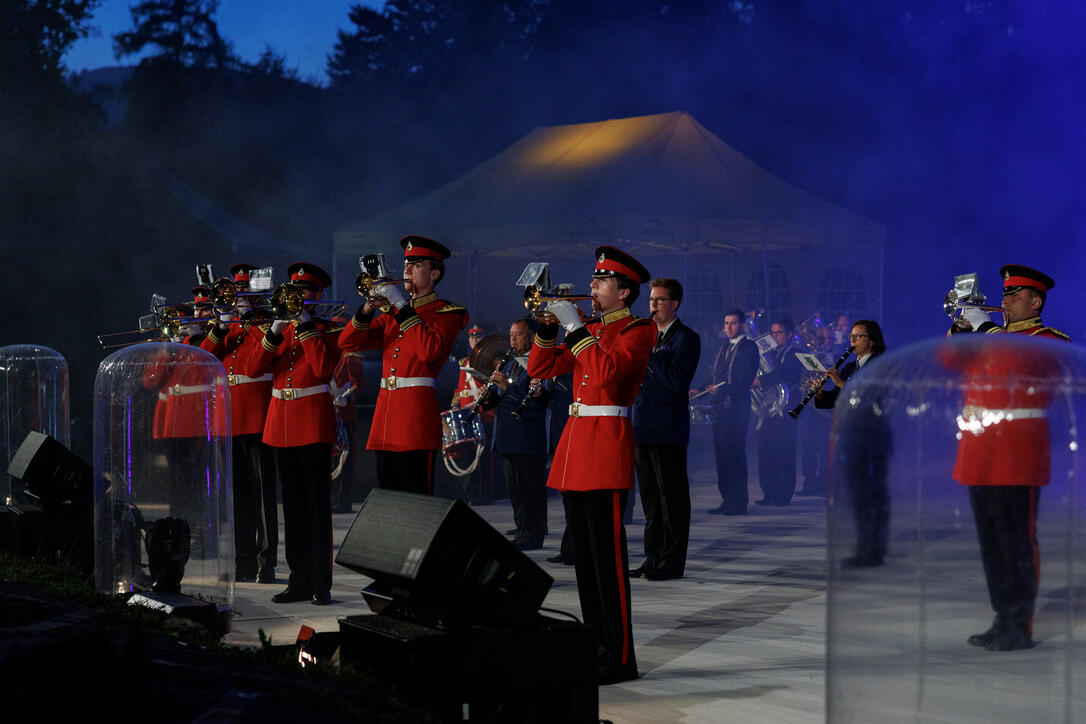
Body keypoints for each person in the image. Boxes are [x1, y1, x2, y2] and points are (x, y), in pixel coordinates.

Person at [527, 245, 655, 685]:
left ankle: (620, 657)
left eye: (600, 282)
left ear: (623, 291)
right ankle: (594, 645)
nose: (592, 287)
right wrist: (547, 329)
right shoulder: (593, 328)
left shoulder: (639, 330)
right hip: (578, 444)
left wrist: (576, 327)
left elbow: (605, 375)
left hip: (606, 443)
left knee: (608, 561)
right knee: (584, 558)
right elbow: (540, 369)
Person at [950, 264, 1068, 651]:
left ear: (1035, 302)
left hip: (1017, 454)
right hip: (979, 450)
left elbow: (1019, 363)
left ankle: (1020, 624)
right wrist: (962, 331)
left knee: (1017, 540)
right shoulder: (989, 337)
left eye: (1014, 296)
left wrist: (985, 328)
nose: (1004, 301)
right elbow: (949, 365)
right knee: (991, 542)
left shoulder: (1047, 339)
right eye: (1004, 295)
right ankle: (1002, 615)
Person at [244, 262, 341, 605]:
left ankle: (320, 581)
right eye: (293, 292)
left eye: (304, 293)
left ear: (317, 296)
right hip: (280, 424)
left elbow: (324, 369)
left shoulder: (328, 327)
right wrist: (275, 329)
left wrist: (305, 325)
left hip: (313, 423)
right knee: (294, 510)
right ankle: (297, 579)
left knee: (317, 508)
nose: (298, 297)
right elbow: (253, 367)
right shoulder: (278, 329)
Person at [339, 236, 467, 495]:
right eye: (406, 263)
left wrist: (399, 304)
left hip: (415, 418)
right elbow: (347, 341)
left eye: (415, 264)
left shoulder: (448, 313)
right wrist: (367, 307)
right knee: (388, 499)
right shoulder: (391, 315)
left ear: (434, 273)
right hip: (386, 417)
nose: (406, 269)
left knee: (416, 499)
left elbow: (428, 351)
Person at [200, 263, 277, 582]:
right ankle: (243, 560)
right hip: (230, 418)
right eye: (235, 291)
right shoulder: (226, 324)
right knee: (237, 496)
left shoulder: (268, 322)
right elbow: (204, 356)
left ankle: (266, 562)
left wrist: (250, 318)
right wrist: (222, 324)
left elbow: (262, 357)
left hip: (258, 415)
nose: (238, 297)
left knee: (262, 497)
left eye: (244, 291)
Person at [629, 278, 700, 580]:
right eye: (651, 300)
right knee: (650, 499)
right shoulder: (647, 335)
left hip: (668, 428)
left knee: (671, 498)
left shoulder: (686, 338)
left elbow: (676, 381)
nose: (653, 305)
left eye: (659, 300)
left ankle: (671, 562)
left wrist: (647, 353)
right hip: (643, 425)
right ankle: (653, 556)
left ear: (674, 304)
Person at [815, 320, 890, 567]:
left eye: (859, 337)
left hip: (874, 438)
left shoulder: (881, 366)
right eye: (851, 337)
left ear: (872, 340)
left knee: (873, 494)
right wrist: (820, 393)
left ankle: (875, 549)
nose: (853, 342)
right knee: (857, 495)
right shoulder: (849, 367)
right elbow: (836, 401)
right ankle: (862, 546)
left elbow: (870, 398)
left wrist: (840, 384)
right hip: (852, 438)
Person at [482, 317, 549, 550]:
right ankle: (522, 528)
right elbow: (499, 399)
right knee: (515, 489)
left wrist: (506, 387)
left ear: (531, 337)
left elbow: (537, 401)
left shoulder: (538, 363)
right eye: (510, 334)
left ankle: (533, 533)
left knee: (530, 489)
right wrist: (489, 394)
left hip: (527, 436)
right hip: (508, 436)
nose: (511, 339)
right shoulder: (509, 362)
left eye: (518, 334)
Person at [697, 309, 758, 515]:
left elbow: (745, 379)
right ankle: (727, 499)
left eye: (733, 323)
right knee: (722, 456)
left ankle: (738, 502)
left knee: (735, 456)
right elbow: (715, 375)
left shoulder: (749, 347)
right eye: (726, 323)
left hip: (737, 409)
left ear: (742, 325)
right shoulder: (723, 346)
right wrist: (701, 389)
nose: (729, 327)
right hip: (720, 409)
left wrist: (723, 389)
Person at [753, 319, 804, 506]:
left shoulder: (796, 352)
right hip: (767, 410)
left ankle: (783, 494)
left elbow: (786, 373)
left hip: (787, 409)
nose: (775, 337)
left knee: (784, 453)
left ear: (789, 334)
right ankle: (769, 492)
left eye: (779, 333)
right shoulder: (770, 353)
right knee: (766, 453)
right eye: (773, 333)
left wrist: (762, 381)